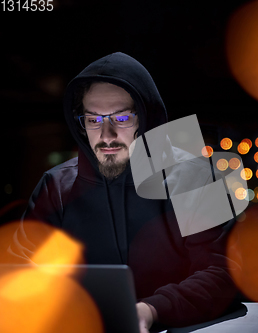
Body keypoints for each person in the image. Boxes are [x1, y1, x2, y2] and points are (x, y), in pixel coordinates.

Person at [9, 52, 237, 332]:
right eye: (93, 120)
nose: (106, 134)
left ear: (145, 118)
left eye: (122, 117)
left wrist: (150, 310)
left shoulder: (199, 178)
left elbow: (223, 273)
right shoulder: (55, 186)